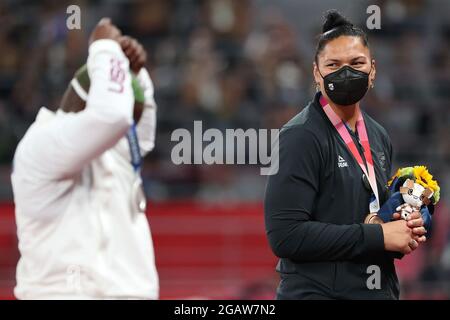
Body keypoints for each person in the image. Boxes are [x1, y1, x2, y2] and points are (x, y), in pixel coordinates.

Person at [264, 11, 428, 299]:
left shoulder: (377, 136)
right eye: (333, 65)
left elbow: (369, 215)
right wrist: (378, 235)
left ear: (373, 70)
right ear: (317, 73)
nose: (346, 73)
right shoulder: (300, 136)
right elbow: (285, 236)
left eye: (356, 63)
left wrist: (403, 224)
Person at [11, 18, 159, 299]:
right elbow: (113, 116)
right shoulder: (42, 143)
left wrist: (133, 72)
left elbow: (140, 134)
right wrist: (105, 49)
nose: (127, 125)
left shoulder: (113, 151)